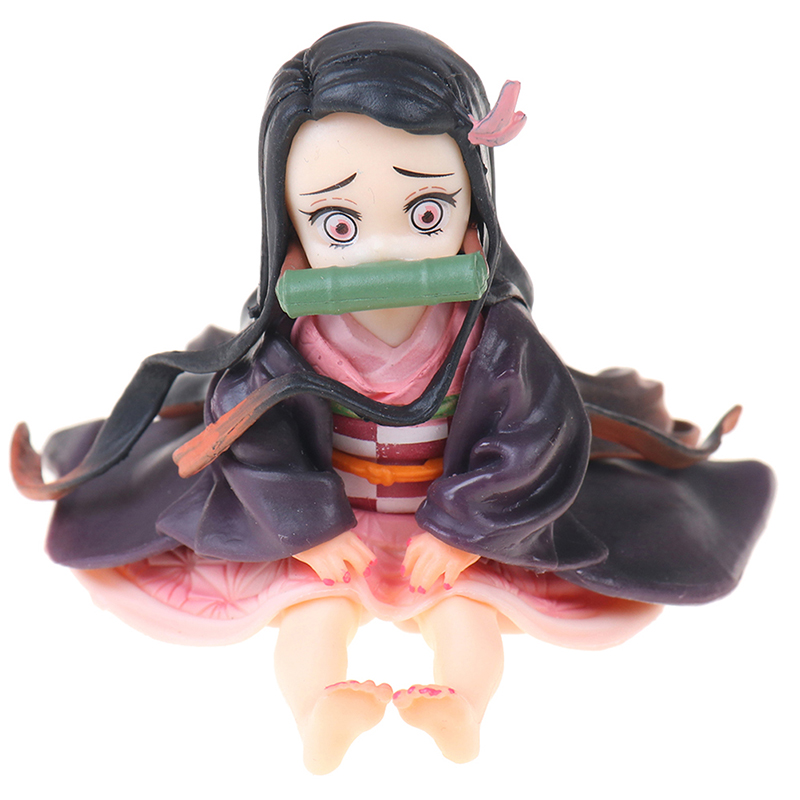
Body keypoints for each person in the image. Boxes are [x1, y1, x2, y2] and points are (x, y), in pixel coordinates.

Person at [11, 22, 774, 774]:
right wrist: (308, 528)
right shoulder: (287, 340)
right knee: (315, 608)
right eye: (339, 223)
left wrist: (464, 527)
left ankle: (461, 706)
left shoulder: (492, 337)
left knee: (465, 609)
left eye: (425, 213)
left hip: (449, 519)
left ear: (473, 205)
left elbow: (535, 431)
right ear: (292, 227)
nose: (383, 249)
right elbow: (254, 435)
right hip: (334, 520)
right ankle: (320, 710)